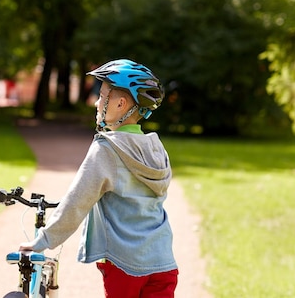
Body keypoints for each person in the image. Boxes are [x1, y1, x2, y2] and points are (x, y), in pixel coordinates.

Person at [19, 59, 178, 298]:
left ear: (120, 103)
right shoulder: (155, 147)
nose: (96, 102)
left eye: (102, 96)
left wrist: (43, 240)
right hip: (163, 261)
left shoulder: (107, 150)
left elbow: (78, 201)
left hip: (125, 265)